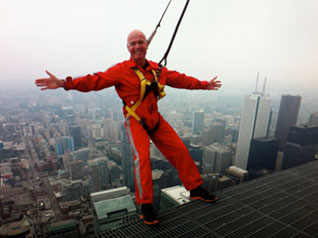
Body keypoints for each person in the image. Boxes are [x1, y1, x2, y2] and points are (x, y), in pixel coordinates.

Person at [35, 29, 222, 225]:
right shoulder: (121, 71)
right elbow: (94, 80)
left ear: (147, 45)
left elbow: (180, 79)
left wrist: (204, 84)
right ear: (128, 48)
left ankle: (195, 188)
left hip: (155, 119)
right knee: (142, 159)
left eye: (140, 42)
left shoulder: (157, 70)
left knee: (180, 150)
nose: (137, 46)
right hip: (135, 121)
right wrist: (65, 83)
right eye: (133, 43)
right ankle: (146, 206)